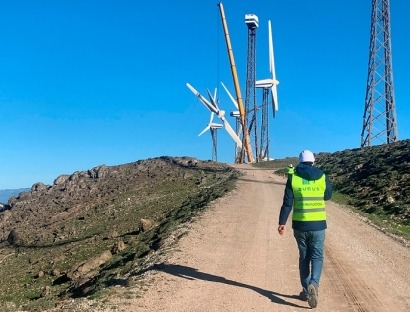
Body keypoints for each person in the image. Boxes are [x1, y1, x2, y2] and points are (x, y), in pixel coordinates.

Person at [277, 150, 332, 308]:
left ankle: (306, 290)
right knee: (317, 257)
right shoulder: (322, 176)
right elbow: (328, 196)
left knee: (304, 257)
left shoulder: (293, 177)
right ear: (313, 162)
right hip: (318, 224)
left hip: (300, 225)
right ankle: (314, 283)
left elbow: (287, 203)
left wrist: (282, 222)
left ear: (299, 162)